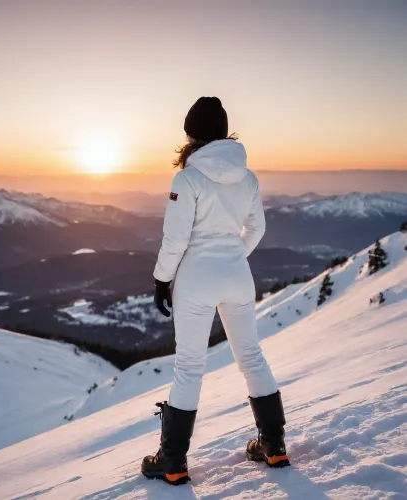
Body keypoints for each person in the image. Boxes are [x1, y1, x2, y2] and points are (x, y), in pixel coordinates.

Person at [141, 97, 289, 486]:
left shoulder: (187, 179)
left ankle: (173, 462)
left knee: (189, 367)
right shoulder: (249, 177)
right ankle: (274, 446)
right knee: (252, 358)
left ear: (192, 136)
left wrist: (162, 279)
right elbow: (256, 230)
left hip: (196, 278)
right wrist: (231, 257)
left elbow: (175, 240)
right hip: (238, 275)